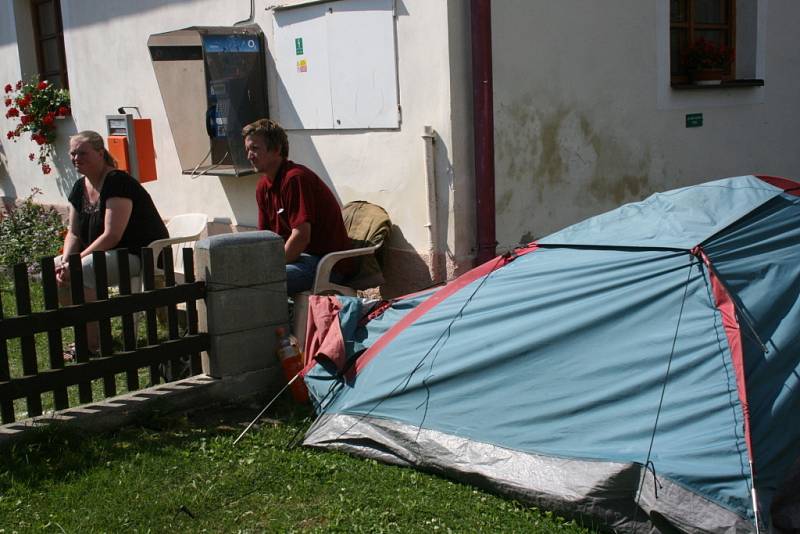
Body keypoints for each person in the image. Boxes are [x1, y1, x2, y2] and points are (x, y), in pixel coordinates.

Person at [56, 130, 168, 357]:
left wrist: (77, 261)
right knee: (56, 269)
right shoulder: (80, 187)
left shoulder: (117, 182)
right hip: (107, 255)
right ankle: (86, 334)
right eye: (72, 154)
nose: (76, 158)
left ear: (100, 153)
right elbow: (73, 233)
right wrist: (67, 260)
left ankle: (93, 346)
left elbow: (112, 235)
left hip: (139, 255)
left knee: (84, 269)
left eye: (82, 153)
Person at [242, 119, 353, 294]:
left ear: (277, 149)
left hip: (323, 263)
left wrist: (270, 268)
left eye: (255, 148)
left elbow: (301, 237)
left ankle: (275, 321)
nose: (249, 155)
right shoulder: (262, 186)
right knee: (234, 278)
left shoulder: (295, 179)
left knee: (260, 284)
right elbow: (265, 237)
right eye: (247, 149)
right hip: (295, 259)